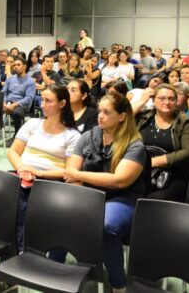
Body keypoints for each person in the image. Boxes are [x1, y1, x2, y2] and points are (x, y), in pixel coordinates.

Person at [64, 93, 147, 293]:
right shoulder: (89, 136)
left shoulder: (135, 145)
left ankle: (118, 285)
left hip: (122, 198)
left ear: (122, 116)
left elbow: (119, 180)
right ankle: (54, 272)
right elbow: (70, 170)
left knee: (106, 225)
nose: (100, 116)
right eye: (100, 111)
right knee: (61, 214)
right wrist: (78, 179)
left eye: (107, 112)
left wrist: (79, 175)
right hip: (90, 194)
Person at [7, 85, 81, 253]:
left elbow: (70, 171)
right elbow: (13, 151)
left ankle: (19, 251)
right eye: (42, 100)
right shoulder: (33, 124)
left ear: (62, 104)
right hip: (22, 174)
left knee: (21, 202)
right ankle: (12, 250)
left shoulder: (72, 135)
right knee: (5, 196)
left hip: (48, 181)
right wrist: (21, 168)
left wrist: (39, 173)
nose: (42, 105)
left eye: (48, 101)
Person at [136, 84, 189, 201]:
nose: (167, 102)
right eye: (162, 98)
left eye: (171, 99)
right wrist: (141, 101)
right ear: (153, 100)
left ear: (176, 102)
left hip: (174, 173)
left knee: (154, 199)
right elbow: (119, 119)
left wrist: (153, 162)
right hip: (141, 169)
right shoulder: (143, 117)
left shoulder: (186, 123)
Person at [2, 57, 36, 134]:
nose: (15, 67)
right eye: (14, 65)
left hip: (22, 104)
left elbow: (29, 98)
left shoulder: (30, 81)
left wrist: (14, 105)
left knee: (17, 113)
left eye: (18, 65)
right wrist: (4, 103)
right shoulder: (10, 78)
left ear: (25, 66)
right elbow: (4, 92)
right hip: (7, 103)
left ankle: (17, 136)